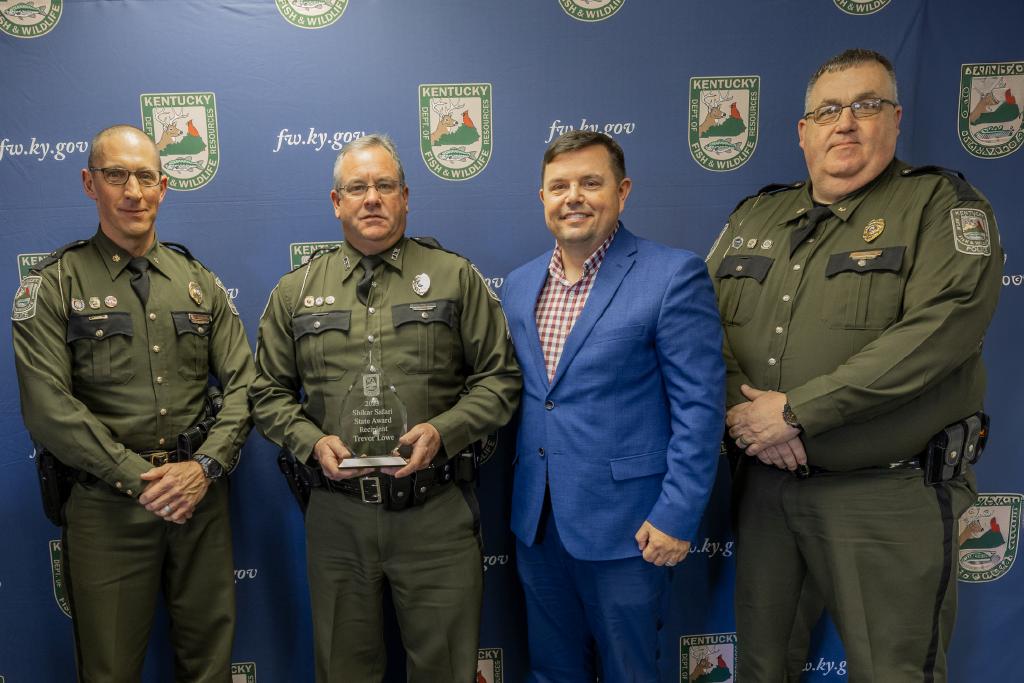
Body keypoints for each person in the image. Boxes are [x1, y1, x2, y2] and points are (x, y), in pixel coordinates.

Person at [706, 49, 1002, 682]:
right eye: (829, 110)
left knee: (892, 672)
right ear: (803, 131)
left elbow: (938, 333)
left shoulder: (939, 206)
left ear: (894, 119)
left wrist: (795, 414)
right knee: (762, 669)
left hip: (885, 492)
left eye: (866, 106)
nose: (846, 123)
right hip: (767, 488)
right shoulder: (752, 215)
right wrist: (752, 417)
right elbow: (701, 330)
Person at [248, 133, 521, 682]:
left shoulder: (455, 277)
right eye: (357, 187)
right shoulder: (296, 291)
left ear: (405, 196)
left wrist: (444, 431)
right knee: (344, 669)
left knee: (445, 669)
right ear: (336, 201)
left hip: (436, 512)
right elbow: (266, 393)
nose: (371, 197)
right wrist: (310, 441)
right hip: (337, 516)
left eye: (385, 185)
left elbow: (500, 380)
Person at [11, 124, 255, 681]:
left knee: (210, 667)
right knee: (110, 670)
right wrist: (140, 479)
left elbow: (247, 385)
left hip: (200, 502)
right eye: (115, 175)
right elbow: (48, 407)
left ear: (164, 186)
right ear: (88, 183)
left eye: (146, 176)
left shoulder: (199, 282)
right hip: (109, 507)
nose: (133, 191)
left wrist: (205, 467)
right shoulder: (53, 285)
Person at [502, 130, 725, 680]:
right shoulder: (519, 284)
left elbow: (700, 409)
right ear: (542, 198)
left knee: (630, 672)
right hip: (539, 524)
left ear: (622, 192)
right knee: (553, 672)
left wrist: (676, 514)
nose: (573, 196)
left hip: (631, 529)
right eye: (559, 186)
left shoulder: (672, 275)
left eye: (590, 183)